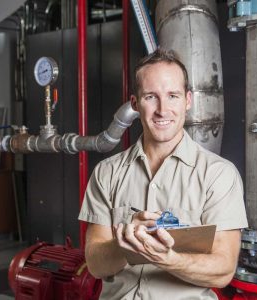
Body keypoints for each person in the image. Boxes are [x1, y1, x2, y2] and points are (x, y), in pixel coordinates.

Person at [78, 49, 248, 300]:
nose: (162, 109)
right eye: (150, 97)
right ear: (135, 104)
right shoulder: (107, 173)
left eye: (173, 96)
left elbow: (222, 270)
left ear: (188, 100)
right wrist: (124, 245)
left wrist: (168, 259)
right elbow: (95, 264)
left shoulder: (219, 175)